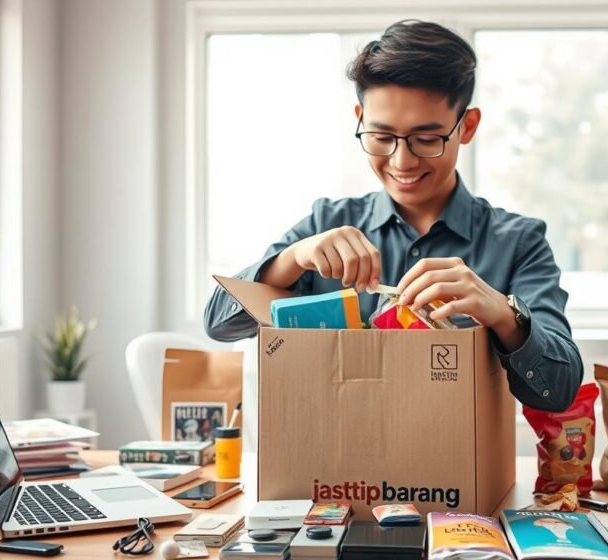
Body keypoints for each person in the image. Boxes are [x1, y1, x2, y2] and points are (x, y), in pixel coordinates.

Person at [204, 20, 582, 411]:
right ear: (359, 119)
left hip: (456, 467)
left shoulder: (518, 242)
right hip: (333, 467)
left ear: (466, 127)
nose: (402, 161)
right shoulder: (325, 224)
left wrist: (505, 316)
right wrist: (291, 260)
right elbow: (219, 323)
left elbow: (560, 390)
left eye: (427, 139)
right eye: (381, 137)